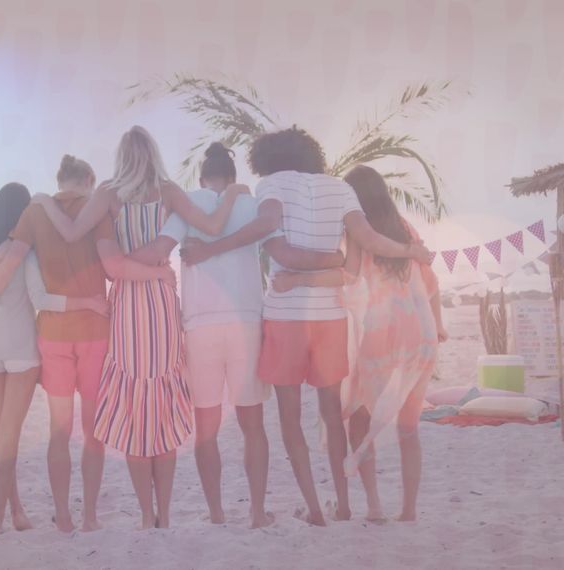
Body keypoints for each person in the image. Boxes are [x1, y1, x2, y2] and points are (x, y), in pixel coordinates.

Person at [180, 127, 430, 525]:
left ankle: (315, 508)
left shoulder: (272, 184)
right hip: (330, 318)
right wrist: (409, 251)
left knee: (290, 420)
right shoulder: (339, 188)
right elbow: (367, 239)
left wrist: (211, 249)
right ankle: (344, 505)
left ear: (268, 159)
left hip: (286, 317)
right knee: (333, 416)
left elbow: (275, 244)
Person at [34, 127, 234, 529]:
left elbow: (71, 233)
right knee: (160, 411)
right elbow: (212, 227)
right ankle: (164, 514)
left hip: (126, 304)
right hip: (160, 305)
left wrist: (42, 201)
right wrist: (232, 194)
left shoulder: (107, 193)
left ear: (122, 156)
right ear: (154, 154)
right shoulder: (169, 190)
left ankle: (146, 514)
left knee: (137, 411)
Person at [127, 143, 333, 528]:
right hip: (245, 322)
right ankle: (256, 512)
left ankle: (217, 513)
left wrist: (116, 260)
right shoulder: (252, 202)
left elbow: (160, 249)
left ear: (204, 177)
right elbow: (281, 250)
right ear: (233, 177)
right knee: (251, 424)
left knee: (206, 428)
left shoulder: (187, 202)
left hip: (200, 325)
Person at [0, 153, 172, 532]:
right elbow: (111, 265)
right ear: (89, 178)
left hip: (53, 335)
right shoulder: (97, 210)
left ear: (59, 179)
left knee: (59, 430)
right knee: (93, 431)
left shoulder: (36, 213)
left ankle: (64, 517)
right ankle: (89, 515)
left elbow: (9, 264)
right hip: (95, 333)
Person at [273, 165, 446, 522]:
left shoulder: (357, 232)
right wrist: (440, 327)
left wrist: (297, 279)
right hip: (421, 336)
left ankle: (375, 507)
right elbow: (432, 284)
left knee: (358, 419)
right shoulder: (406, 230)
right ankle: (409, 510)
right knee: (409, 426)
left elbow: (347, 275)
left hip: (381, 335)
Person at [0, 182, 109, 535]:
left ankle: (13, 509)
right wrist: (88, 303)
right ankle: (1, 513)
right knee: (11, 433)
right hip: (19, 347)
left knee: (1, 432)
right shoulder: (28, 254)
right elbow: (42, 299)